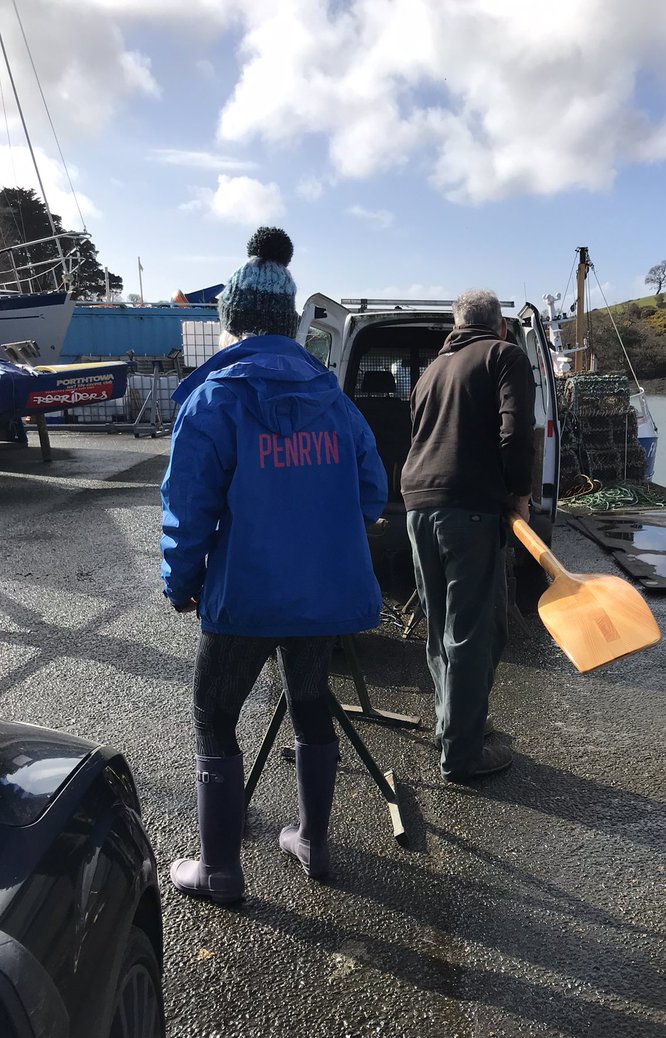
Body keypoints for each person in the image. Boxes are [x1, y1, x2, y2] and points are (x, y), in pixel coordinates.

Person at [160, 226, 387, 904]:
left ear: (231, 321)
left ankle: (220, 870)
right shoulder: (334, 399)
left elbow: (188, 508)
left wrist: (183, 583)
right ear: (288, 323)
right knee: (310, 702)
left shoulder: (215, 399)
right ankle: (313, 841)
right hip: (319, 595)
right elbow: (371, 493)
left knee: (213, 714)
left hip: (246, 596)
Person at [401, 288, 534, 783]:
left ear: (456, 327)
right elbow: (515, 433)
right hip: (468, 510)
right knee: (475, 632)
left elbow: (418, 435)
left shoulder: (429, 372)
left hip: (417, 506)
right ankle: (463, 753)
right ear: (501, 325)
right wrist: (519, 493)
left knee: (441, 626)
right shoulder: (505, 355)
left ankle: (453, 726)